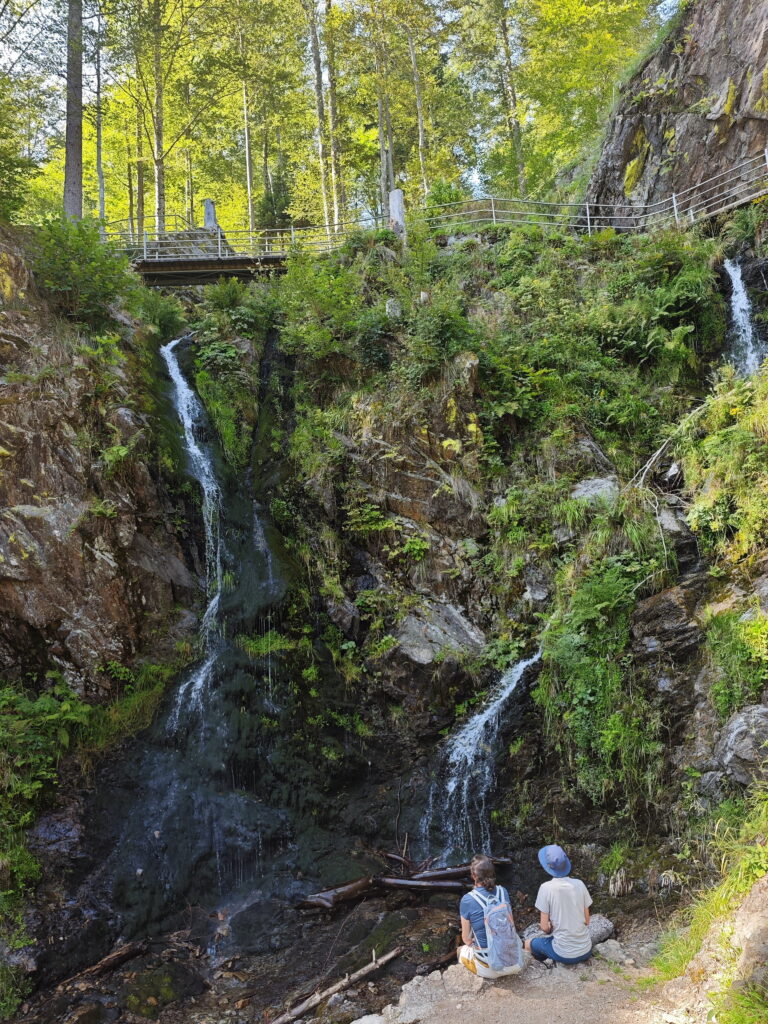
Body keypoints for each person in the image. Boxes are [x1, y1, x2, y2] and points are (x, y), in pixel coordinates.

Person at [524, 844, 593, 966]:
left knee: (528, 943)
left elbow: (544, 927)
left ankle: (542, 964)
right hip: (586, 949)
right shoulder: (580, 884)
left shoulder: (545, 888)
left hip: (564, 953)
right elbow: (587, 921)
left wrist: (551, 927)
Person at [457, 854, 522, 978]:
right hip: (513, 961)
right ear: (492, 873)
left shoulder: (467, 899)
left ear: (473, 875)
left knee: (460, 950)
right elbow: (511, 923)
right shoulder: (503, 892)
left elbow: (466, 938)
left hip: (490, 967)